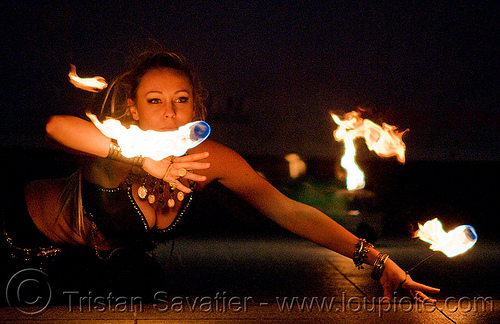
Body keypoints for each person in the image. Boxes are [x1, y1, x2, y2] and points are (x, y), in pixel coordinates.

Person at [2, 52, 439, 304]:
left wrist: (380, 260)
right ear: (134, 110)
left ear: (196, 108)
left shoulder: (209, 159)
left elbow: (287, 210)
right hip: (16, 240)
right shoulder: (117, 143)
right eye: (155, 100)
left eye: (181, 99)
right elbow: (56, 127)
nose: (169, 111)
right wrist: (143, 161)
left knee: (143, 285)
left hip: (97, 265)